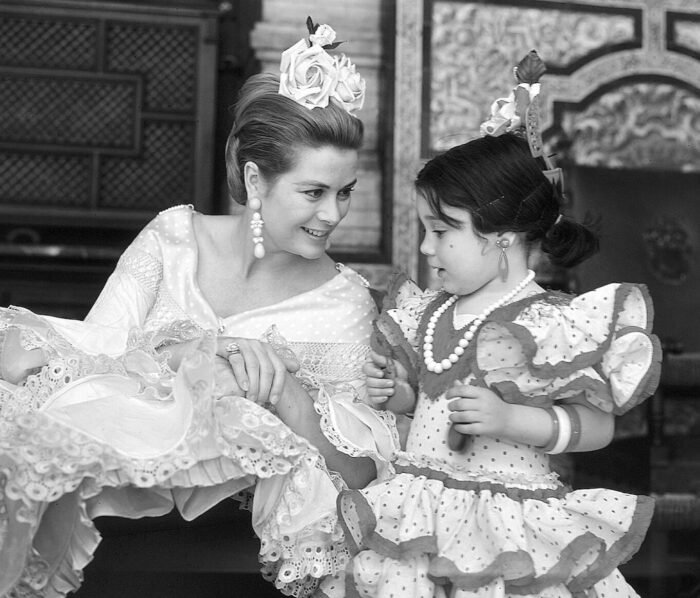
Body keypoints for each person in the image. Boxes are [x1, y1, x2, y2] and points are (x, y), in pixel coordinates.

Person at [0, 21, 398, 598]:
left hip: (223, 550)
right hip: (106, 521)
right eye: (314, 192)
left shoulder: (346, 302)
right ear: (256, 180)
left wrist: (286, 391)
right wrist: (192, 351)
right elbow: (88, 356)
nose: (334, 214)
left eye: (346, 192)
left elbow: (359, 473)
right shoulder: (173, 238)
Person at [333, 129, 661, 595]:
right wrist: (400, 394)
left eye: (441, 231)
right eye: (425, 230)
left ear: (502, 238)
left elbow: (599, 426)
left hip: (506, 526)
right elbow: (432, 402)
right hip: (421, 515)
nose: (426, 247)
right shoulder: (428, 313)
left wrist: (510, 419)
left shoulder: (549, 325)